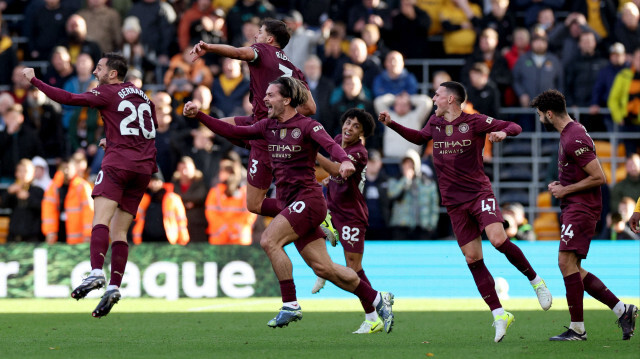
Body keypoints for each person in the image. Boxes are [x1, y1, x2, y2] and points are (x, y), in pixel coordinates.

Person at [183, 76, 395, 333]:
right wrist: (201, 117)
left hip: (308, 199)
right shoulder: (267, 126)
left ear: (286, 99)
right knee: (324, 268)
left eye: (271, 95)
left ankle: (290, 303)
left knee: (269, 240)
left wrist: (345, 161)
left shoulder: (308, 126)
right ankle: (376, 298)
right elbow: (233, 131)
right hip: (290, 203)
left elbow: (331, 145)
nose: (265, 99)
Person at [378, 81, 552, 342]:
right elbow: (418, 138)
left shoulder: (475, 121)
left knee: (497, 239)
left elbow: (515, 126)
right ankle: (499, 314)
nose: (433, 98)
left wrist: (503, 134)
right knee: (473, 259)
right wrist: (392, 123)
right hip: (454, 202)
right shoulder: (434, 124)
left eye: (437, 94)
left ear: (450, 99)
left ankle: (536, 281)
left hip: (478, 194)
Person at [23, 52, 158, 318]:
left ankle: (96, 272)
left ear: (112, 74)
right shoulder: (145, 98)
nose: (94, 73)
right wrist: (113, 139)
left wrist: (35, 81)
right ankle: (114, 286)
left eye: (99, 68)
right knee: (120, 232)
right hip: (143, 170)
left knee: (100, 221)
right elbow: (144, 132)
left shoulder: (107, 92)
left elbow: (69, 99)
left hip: (118, 165)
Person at [530, 89, 638, 341]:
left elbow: (600, 177)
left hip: (582, 209)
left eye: (540, 115)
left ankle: (578, 329)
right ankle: (623, 310)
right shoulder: (569, 133)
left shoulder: (573, 137)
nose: (539, 120)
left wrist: (566, 189)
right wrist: (562, 185)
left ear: (549, 113)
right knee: (573, 268)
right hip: (574, 206)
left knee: (565, 263)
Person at [189, 19, 317, 220]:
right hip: (263, 125)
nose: (255, 36)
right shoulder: (294, 69)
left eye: (260, 32)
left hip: (264, 133)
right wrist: (284, 117)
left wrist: (209, 47)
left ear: (270, 38)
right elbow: (310, 107)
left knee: (254, 204)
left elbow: (239, 53)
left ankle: (307, 209)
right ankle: (306, 207)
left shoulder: (263, 50)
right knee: (222, 126)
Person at [310, 108, 384, 334]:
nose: (349, 128)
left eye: (356, 127)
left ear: (362, 133)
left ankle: (373, 317)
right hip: (333, 207)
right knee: (306, 226)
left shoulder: (360, 153)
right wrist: (328, 181)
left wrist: (313, 153)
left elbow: (339, 170)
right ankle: (323, 269)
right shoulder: (338, 140)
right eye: (348, 123)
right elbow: (333, 175)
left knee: (354, 269)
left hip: (352, 215)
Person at [205, 152, 257, 245]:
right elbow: (211, 213)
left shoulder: (245, 191)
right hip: (225, 238)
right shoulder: (216, 191)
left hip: (234, 238)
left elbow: (250, 214)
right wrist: (229, 227)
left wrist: (227, 227)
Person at [41, 157, 94, 245]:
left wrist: (88, 233)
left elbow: (88, 211)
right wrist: (49, 231)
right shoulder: (53, 187)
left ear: (74, 169)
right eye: (63, 168)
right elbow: (48, 210)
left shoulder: (82, 186)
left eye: (68, 168)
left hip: (77, 235)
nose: (65, 171)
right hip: (59, 231)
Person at [131, 171, 190, 245]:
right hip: (146, 240)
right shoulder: (144, 198)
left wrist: (182, 239)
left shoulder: (172, 198)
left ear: (162, 182)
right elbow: (135, 218)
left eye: (156, 181)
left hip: (167, 240)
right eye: (151, 181)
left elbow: (181, 220)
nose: (154, 184)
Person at [0, 159, 45, 242]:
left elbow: (43, 208)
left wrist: (28, 197)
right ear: (16, 173)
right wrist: (8, 192)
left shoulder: (38, 190)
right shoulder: (12, 191)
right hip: (13, 238)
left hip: (32, 238)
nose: (22, 174)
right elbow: (2, 205)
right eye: (20, 171)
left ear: (33, 174)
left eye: (26, 171)